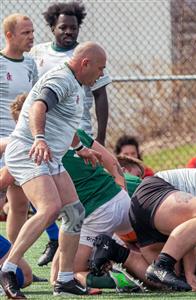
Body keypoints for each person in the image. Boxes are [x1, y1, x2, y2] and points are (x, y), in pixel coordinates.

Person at [0, 41, 106, 298]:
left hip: (50, 156)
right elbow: (39, 106)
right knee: (49, 208)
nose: (102, 74)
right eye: (100, 68)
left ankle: (65, 280)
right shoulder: (61, 78)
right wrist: (38, 138)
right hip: (29, 151)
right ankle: (8, 269)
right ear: (85, 64)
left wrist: (80, 147)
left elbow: (62, 122)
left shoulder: (77, 84)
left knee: (75, 212)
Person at [0, 13, 60, 269]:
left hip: (19, 139)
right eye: (25, 33)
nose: (31, 37)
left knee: (20, 202)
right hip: (3, 141)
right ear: (9, 35)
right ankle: (52, 238)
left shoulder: (29, 64)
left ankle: (14, 262)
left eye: (33, 32)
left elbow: (32, 104)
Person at [29, 1, 110, 145]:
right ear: (53, 28)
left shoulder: (88, 55)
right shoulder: (37, 52)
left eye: (74, 27)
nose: (69, 31)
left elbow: (100, 95)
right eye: (63, 27)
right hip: (47, 131)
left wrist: (101, 137)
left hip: (79, 130)